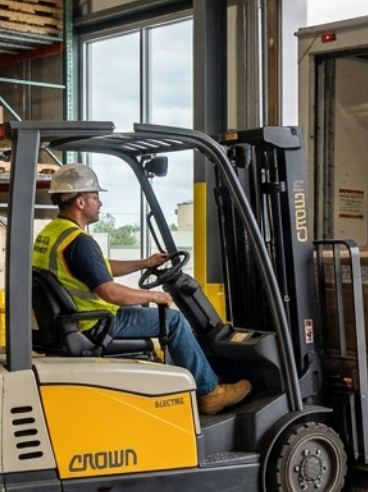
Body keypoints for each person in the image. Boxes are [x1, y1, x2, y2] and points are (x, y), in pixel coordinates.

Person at [34, 164, 251, 415]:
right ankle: (209, 391)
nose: (100, 203)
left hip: (71, 322)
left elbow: (99, 269)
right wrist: (154, 295)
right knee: (174, 320)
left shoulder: (54, 234)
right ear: (80, 202)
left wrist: (144, 263)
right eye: (95, 197)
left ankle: (201, 376)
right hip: (95, 323)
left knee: (145, 308)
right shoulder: (80, 242)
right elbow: (111, 293)